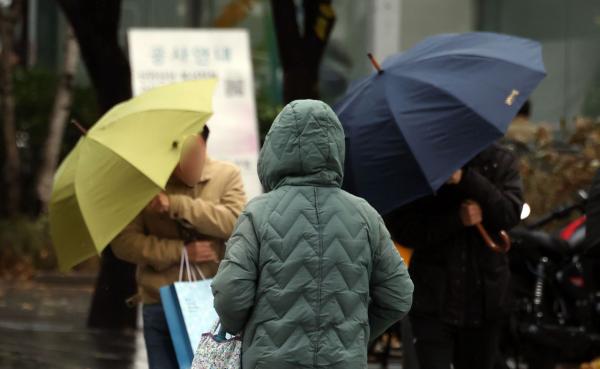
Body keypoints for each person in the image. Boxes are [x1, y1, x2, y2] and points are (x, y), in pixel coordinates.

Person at [211, 100, 414, 369]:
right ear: (336, 148)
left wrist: (246, 331)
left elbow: (230, 293)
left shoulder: (258, 214)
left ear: (275, 147)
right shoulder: (365, 215)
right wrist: (354, 336)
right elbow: (399, 295)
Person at [111, 126, 246, 369]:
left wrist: (177, 205)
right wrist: (181, 252)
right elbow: (123, 242)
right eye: (180, 155)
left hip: (213, 305)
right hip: (160, 302)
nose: (187, 163)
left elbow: (236, 222)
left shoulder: (227, 175)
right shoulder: (146, 184)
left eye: (194, 153)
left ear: (204, 145)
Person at [384, 143, 523, 369]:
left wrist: (467, 179)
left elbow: (509, 213)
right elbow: (404, 229)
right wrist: (456, 220)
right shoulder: (418, 164)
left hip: (485, 300)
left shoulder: (499, 160)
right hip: (432, 301)